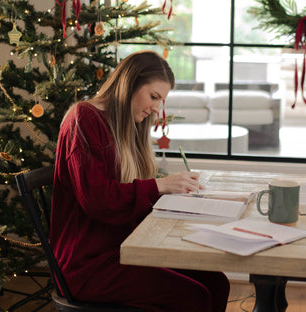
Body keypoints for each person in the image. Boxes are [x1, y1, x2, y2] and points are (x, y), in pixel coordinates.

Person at [50, 50, 230, 312]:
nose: (157, 108)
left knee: (216, 283)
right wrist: (160, 186)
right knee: (194, 297)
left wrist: (181, 197)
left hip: (125, 248)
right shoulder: (84, 118)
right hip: (87, 265)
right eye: (154, 96)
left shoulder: (126, 126)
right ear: (129, 85)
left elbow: (129, 194)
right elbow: (97, 200)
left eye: (162, 100)